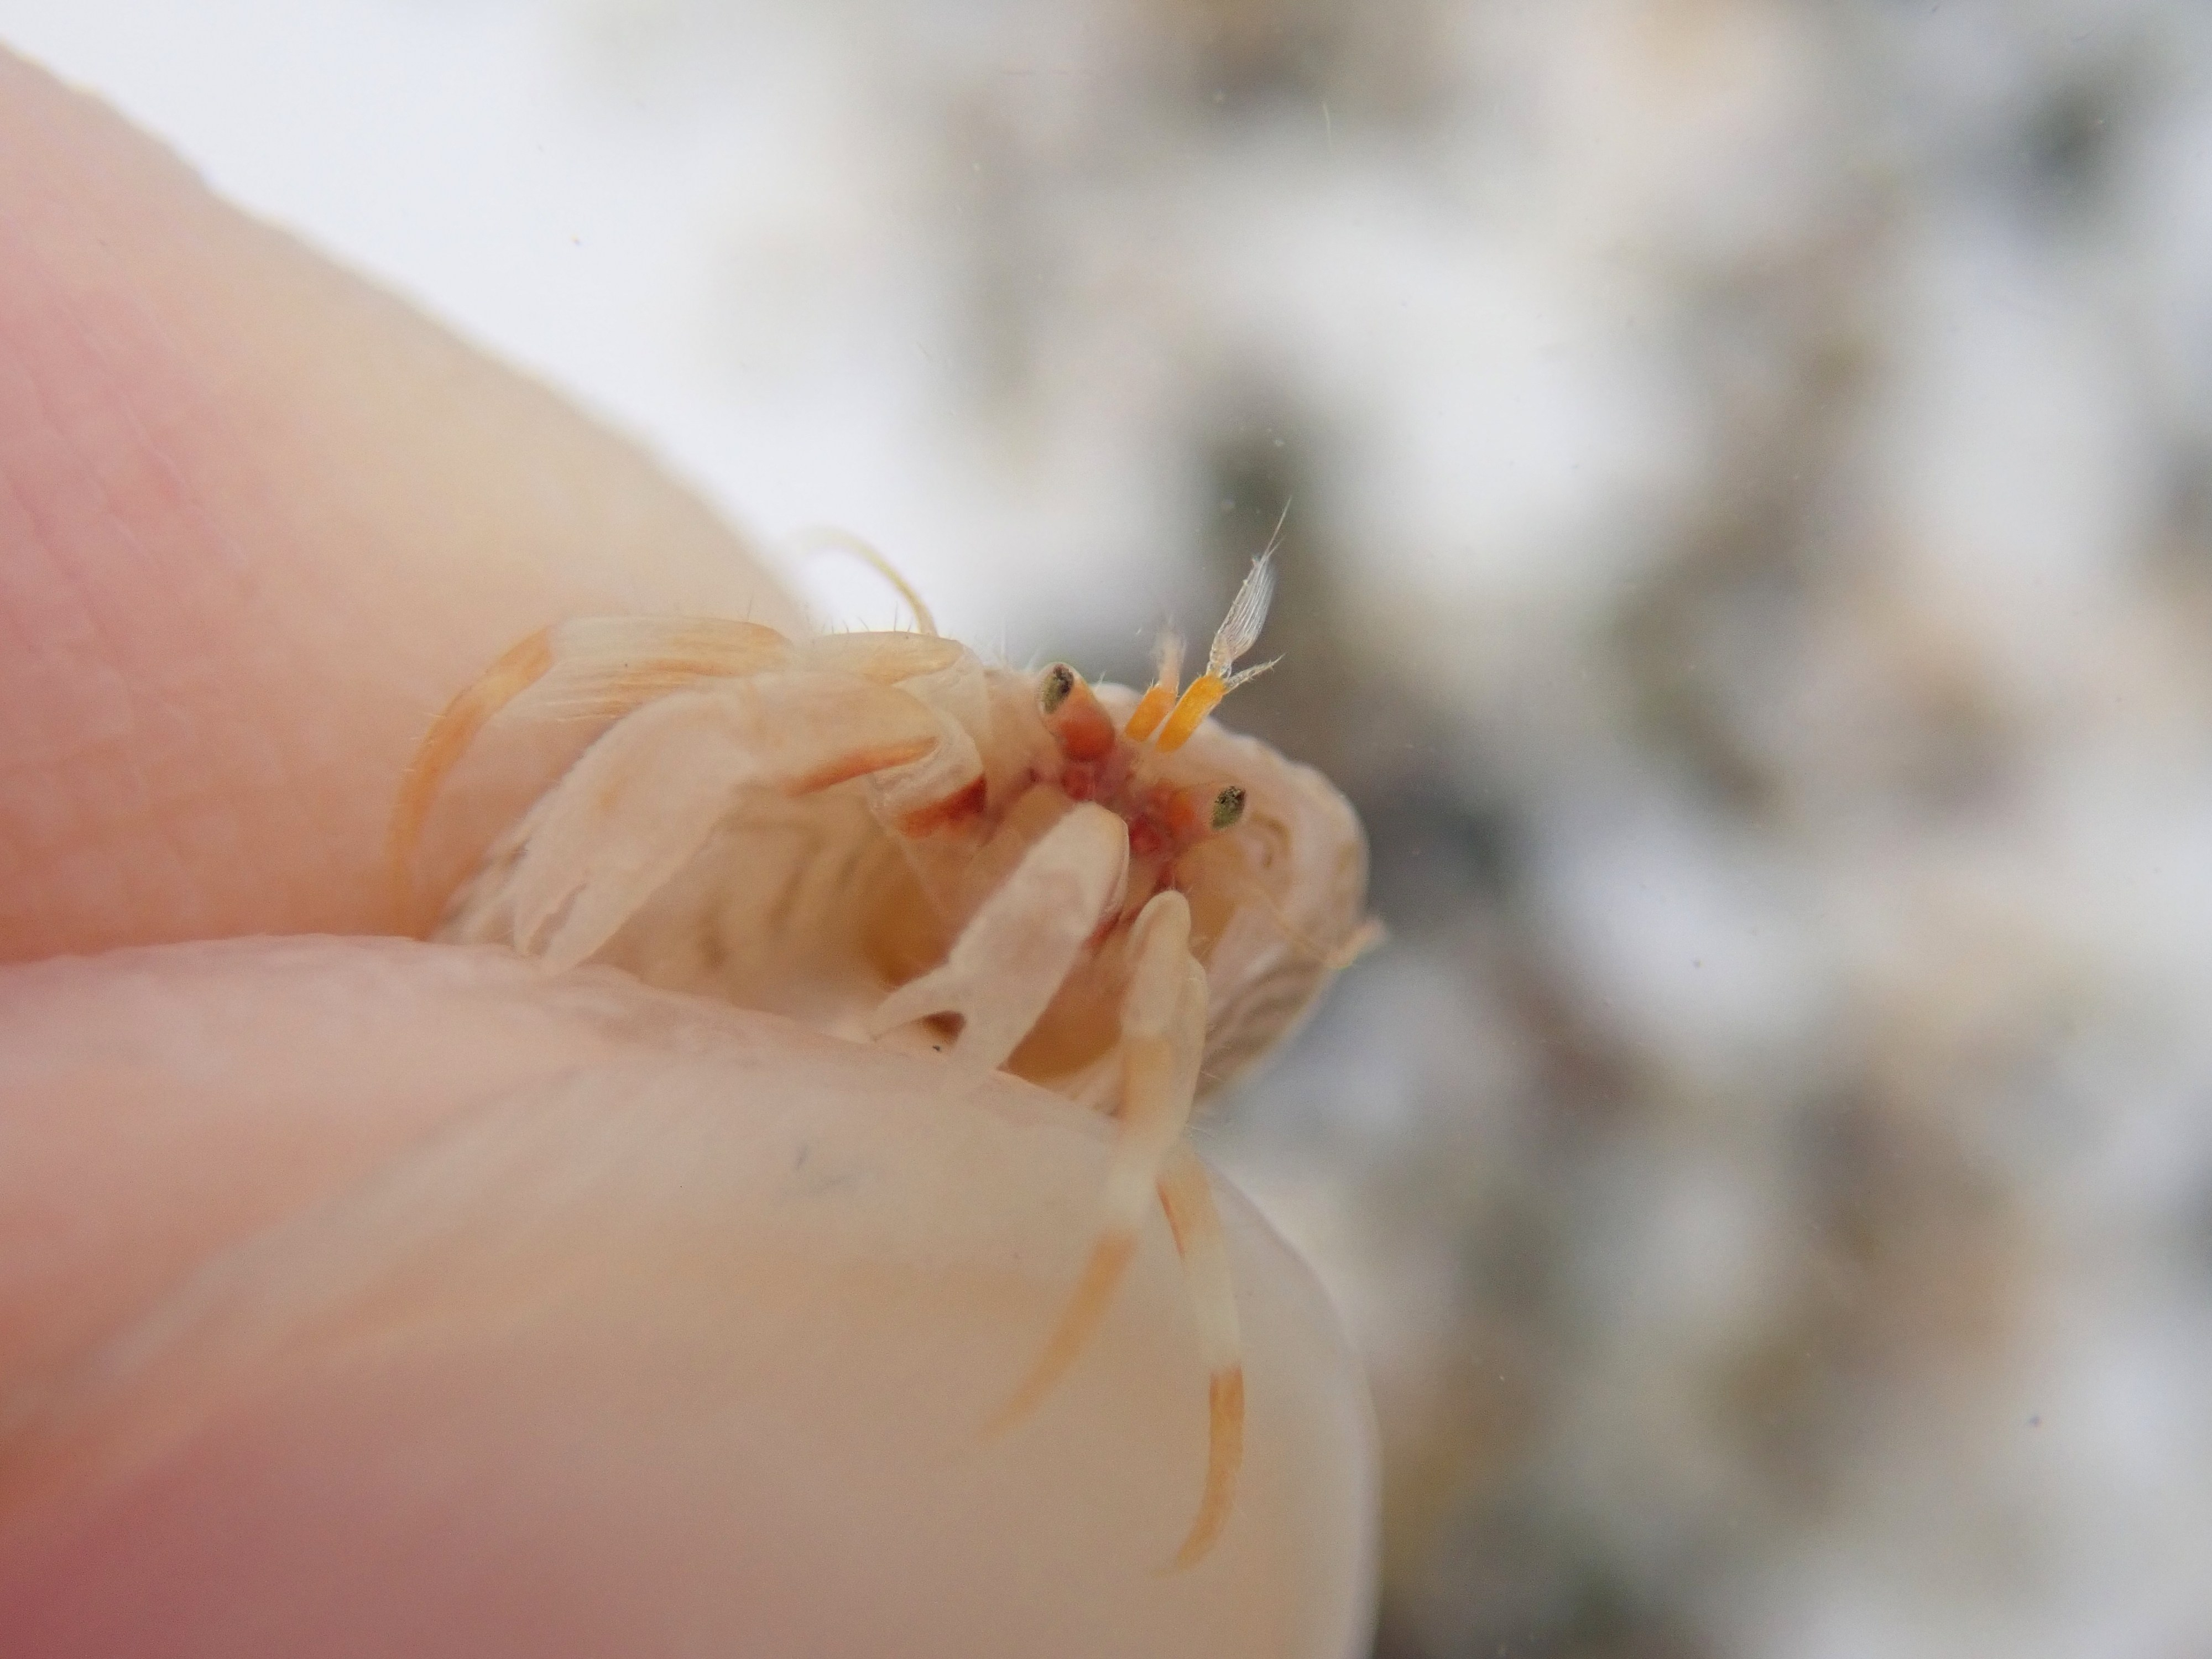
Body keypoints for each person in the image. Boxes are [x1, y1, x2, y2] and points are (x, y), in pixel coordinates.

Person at [0, 46, 1371, 1658]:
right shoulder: (991, 747)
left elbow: (1148, 1088)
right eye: (1078, 726)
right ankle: (529, 960)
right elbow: (728, 710)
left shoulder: (1169, 923)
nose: (1089, 787)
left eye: (1164, 798)